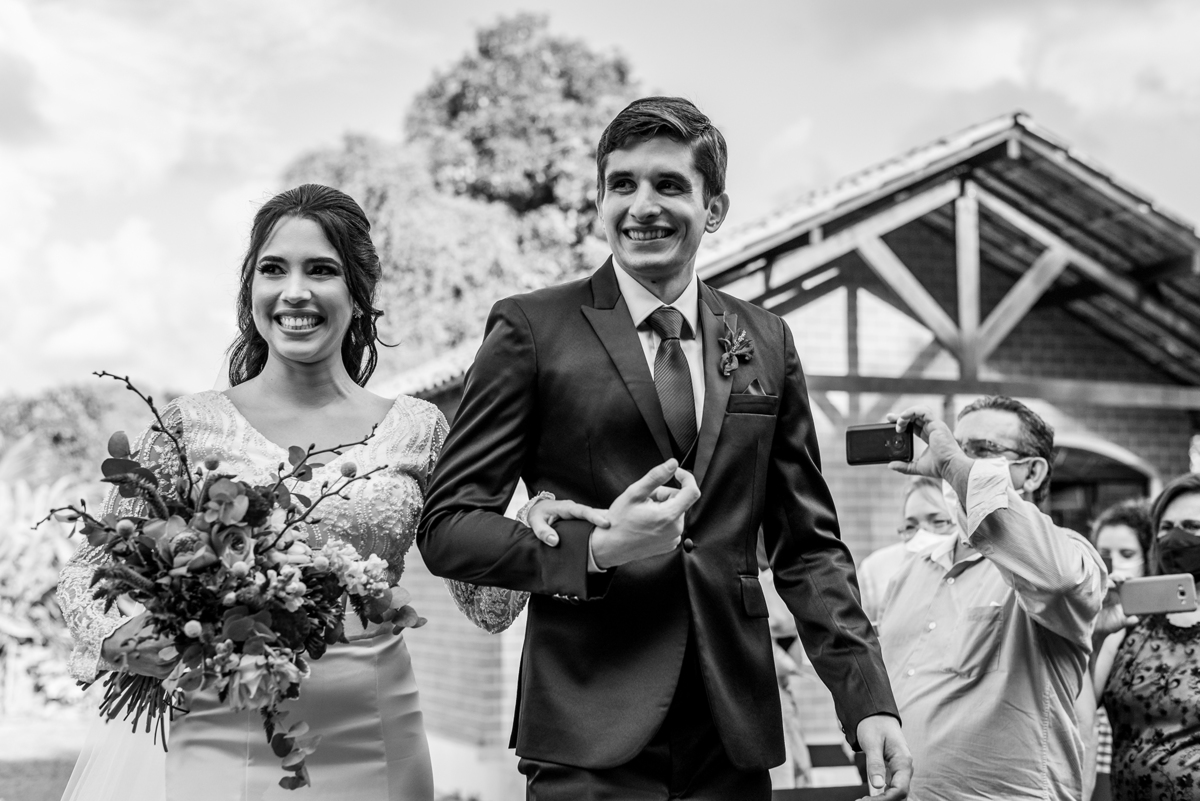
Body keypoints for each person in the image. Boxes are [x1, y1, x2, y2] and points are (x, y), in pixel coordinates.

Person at [418, 96, 911, 800]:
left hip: (732, 732)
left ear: (715, 208)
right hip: (587, 729)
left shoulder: (766, 340)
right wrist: (596, 547)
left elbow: (808, 547)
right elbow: (448, 527)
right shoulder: (532, 328)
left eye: (669, 184)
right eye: (622, 184)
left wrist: (866, 698)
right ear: (600, 201)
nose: (641, 205)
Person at [56, 184, 531, 800]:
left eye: (321, 270)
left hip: (378, 734)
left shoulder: (420, 430)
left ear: (358, 293)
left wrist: (533, 518)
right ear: (250, 289)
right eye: (273, 269)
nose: (295, 291)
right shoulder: (188, 426)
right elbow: (88, 571)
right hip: (224, 729)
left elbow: (489, 608)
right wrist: (120, 638)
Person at [878, 396, 1105, 801]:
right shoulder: (910, 572)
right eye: (956, 446)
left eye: (981, 450)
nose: (955, 459)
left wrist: (956, 465)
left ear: (1032, 472)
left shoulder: (1067, 555)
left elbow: (1059, 581)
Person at [1092, 473, 1200, 800]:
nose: (1176, 537)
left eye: (1192, 526)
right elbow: (1073, 713)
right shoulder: (1128, 625)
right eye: (1166, 528)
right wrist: (1092, 634)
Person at [1086, 499, 1152, 801]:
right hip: (1102, 767)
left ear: (1149, 557)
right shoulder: (1095, 619)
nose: (1113, 565)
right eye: (1103, 555)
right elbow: (1085, 700)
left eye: (1127, 554)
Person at [858, 477, 958, 627]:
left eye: (938, 522)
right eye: (910, 526)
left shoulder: (981, 568)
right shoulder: (874, 570)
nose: (923, 534)